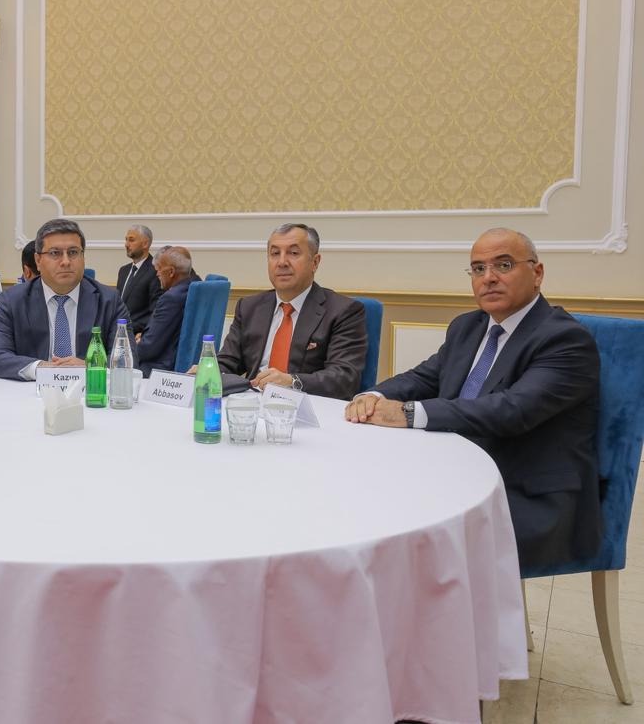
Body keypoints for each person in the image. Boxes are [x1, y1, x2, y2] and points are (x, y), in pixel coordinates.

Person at [345, 228, 601, 567]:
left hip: (524, 494)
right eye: (478, 268)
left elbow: (512, 410)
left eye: (504, 265)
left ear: (537, 273)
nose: (489, 278)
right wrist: (373, 395)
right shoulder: (468, 326)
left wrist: (407, 413)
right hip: (455, 470)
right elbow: (424, 377)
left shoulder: (564, 338)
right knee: (359, 500)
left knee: (402, 536)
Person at [214, 223, 366, 399]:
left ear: (315, 262)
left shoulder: (343, 311)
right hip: (252, 403)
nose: (282, 262)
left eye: (293, 253)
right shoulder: (249, 307)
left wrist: (291, 381)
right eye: (275, 253)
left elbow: (344, 378)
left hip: (307, 407)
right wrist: (207, 370)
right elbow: (229, 361)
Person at [0, 218, 132, 380]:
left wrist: (90, 367)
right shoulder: (13, 300)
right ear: (38, 261)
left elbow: (126, 360)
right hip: (30, 390)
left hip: (89, 389)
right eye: (55, 253)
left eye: (73, 252)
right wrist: (42, 368)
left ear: (83, 257)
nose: (66, 261)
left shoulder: (109, 300)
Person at [134, 246, 193, 376]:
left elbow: (148, 348)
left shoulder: (171, 298)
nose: (157, 274)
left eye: (160, 268)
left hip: (156, 371)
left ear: (171, 272)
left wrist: (128, 349)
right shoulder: (190, 289)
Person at [116, 225, 162, 336]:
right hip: (117, 331)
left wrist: (142, 331)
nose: (126, 244)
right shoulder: (123, 271)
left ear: (145, 243)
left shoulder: (156, 271)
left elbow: (155, 311)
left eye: (131, 240)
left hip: (137, 334)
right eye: (126, 240)